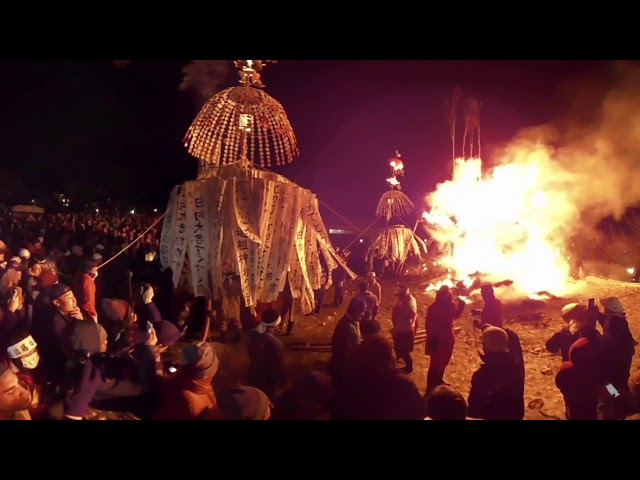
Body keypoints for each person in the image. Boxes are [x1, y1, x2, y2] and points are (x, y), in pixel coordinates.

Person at [425, 285, 465, 392]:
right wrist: (431, 338)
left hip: (448, 338)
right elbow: (428, 324)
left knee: (444, 361)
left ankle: (439, 380)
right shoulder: (433, 308)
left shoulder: (450, 306)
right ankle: (430, 388)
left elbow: (454, 316)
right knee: (434, 364)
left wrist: (461, 307)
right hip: (437, 340)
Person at [391, 286, 418, 374]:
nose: (399, 297)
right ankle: (394, 361)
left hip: (405, 331)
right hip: (403, 329)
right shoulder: (408, 300)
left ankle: (409, 367)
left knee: (404, 350)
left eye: (400, 296)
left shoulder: (408, 306)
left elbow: (405, 320)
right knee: (398, 347)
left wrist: (395, 329)